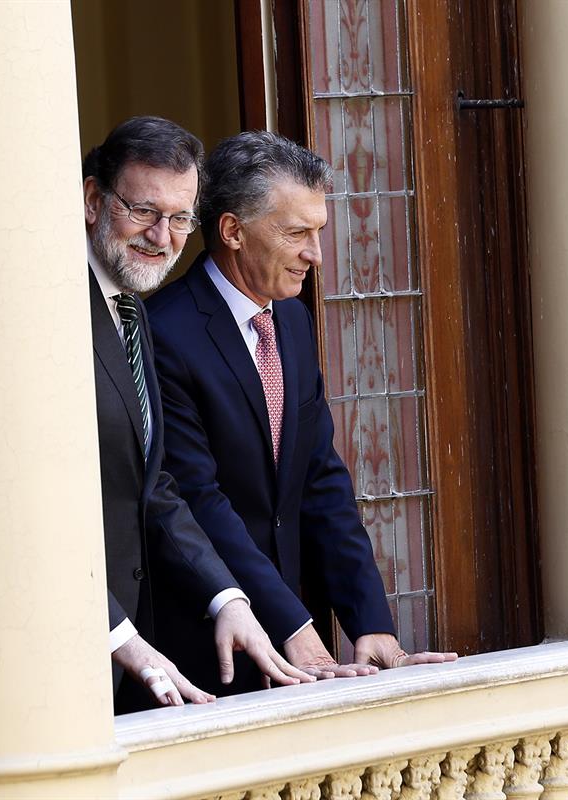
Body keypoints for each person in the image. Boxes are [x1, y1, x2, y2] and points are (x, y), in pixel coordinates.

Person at [146, 130, 457, 695]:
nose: (315, 253)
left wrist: (370, 622)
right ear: (233, 231)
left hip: (297, 644)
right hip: (205, 647)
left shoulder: (289, 319)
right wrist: (291, 622)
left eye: (319, 232)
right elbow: (198, 499)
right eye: (296, 233)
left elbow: (320, 476)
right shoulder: (163, 332)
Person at [82, 117, 311, 712]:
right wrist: (119, 637)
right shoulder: (53, 307)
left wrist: (228, 599)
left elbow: (154, 487)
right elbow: (28, 502)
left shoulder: (131, 311)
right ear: (91, 200)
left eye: (181, 218)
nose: (163, 236)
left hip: (127, 660)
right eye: (143, 211)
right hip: (68, 654)